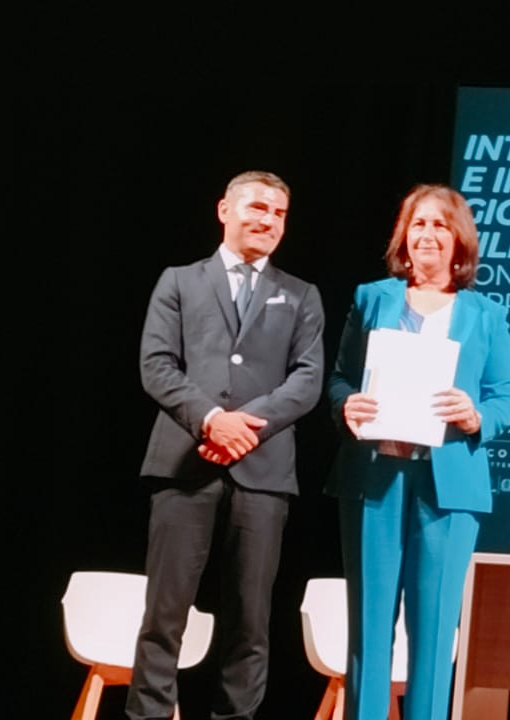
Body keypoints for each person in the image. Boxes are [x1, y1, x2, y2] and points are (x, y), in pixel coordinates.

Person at [130, 170, 325, 720]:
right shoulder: (178, 281)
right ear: (224, 210)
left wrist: (244, 428)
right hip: (184, 463)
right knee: (165, 615)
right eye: (257, 207)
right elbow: (156, 365)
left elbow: (307, 380)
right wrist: (213, 420)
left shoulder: (301, 294)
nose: (268, 220)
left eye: (279, 213)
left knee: (250, 620)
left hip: (263, 473)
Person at [325, 184, 510, 720]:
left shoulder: (485, 313)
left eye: (440, 225)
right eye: (418, 224)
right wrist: (346, 405)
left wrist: (476, 416)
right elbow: (339, 379)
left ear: (460, 240)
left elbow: (505, 397)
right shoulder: (372, 299)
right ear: (403, 236)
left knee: (433, 633)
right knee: (369, 627)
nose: (428, 234)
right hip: (374, 480)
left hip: (449, 487)